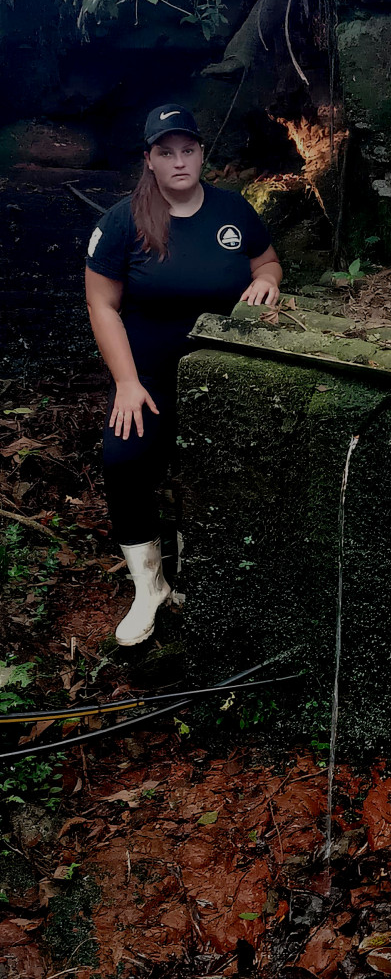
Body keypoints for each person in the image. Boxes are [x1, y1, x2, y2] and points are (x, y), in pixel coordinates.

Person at [85, 103, 282, 646]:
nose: (179, 162)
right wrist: (126, 382)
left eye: (188, 151)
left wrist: (266, 280)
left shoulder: (232, 211)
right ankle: (150, 586)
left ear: (201, 154)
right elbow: (102, 305)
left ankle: (210, 574)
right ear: (148, 160)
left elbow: (267, 260)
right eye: (165, 152)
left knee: (217, 466)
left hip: (222, 372)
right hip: (146, 372)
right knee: (123, 460)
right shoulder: (123, 220)